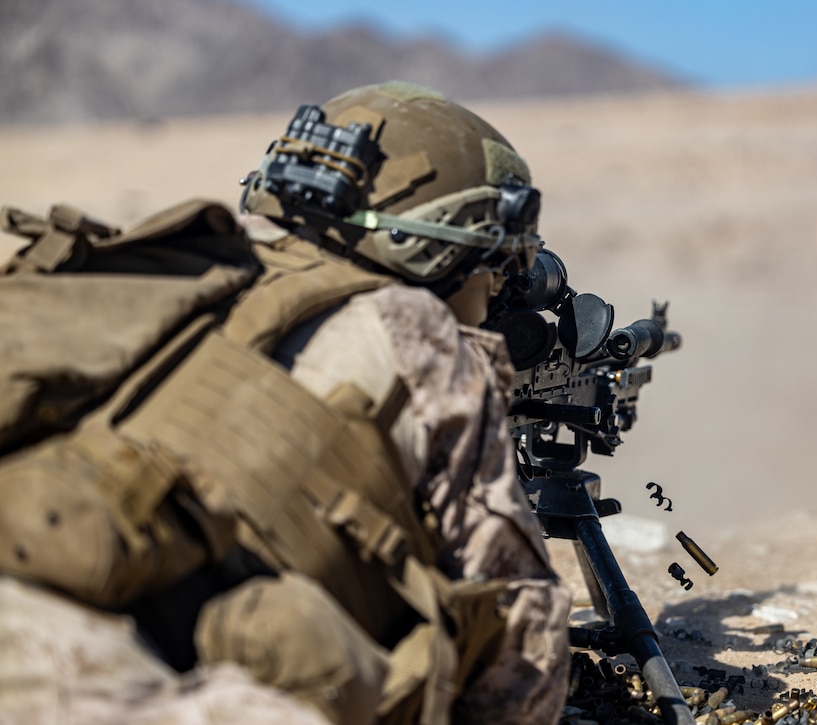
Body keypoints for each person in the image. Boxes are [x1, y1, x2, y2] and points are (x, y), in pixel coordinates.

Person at [0, 81, 571, 724]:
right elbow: (520, 637)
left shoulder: (198, 275)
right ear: (437, 244)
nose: (498, 287)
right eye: (494, 260)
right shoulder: (414, 328)